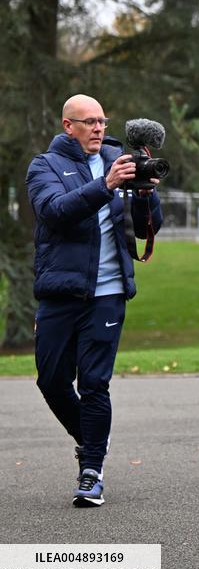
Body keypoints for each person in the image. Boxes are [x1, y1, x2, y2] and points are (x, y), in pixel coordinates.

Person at [25, 94, 163, 507]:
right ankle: (91, 442)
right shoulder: (45, 166)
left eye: (102, 121)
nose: (99, 128)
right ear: (69, 126)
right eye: (89, 122)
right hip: (61, 291)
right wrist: (105, 185)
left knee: (94, 383)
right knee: (50, 380)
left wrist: (143, 194)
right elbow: (54, 212)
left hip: (108, 292)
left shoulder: (122, 160)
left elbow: (144, 230)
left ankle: (91, 471)